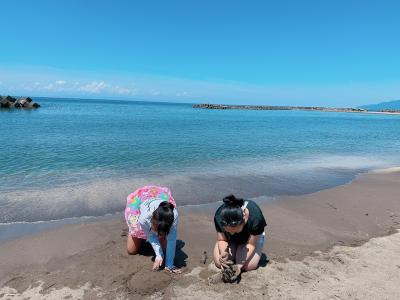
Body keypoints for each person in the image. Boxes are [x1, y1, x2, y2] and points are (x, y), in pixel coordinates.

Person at [125, 185, 181, 273]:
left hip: (158, 213)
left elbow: (171, 240)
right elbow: (151, 236)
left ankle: (159, 234)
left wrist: (169, 265)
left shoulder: (173, 216)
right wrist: (159, 255)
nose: (158, 234)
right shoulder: (144, 218)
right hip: (140, 202)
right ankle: (135, 233)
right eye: (157, 231)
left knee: (165, 249)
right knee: (131, 250)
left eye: (161, 233)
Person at [213, 194, 267, 276]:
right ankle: (235, 248)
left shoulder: (256, 218)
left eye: (235, 231)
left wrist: (239, 266)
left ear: (244, 218)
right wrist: (224, 252)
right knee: (219, 263)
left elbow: (251, 244)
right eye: (228, 231)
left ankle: (238, 249)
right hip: (229, 239)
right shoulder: (219, 216)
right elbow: (222, 239)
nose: (232, 233)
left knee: (248, 266)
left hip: (251, 238)